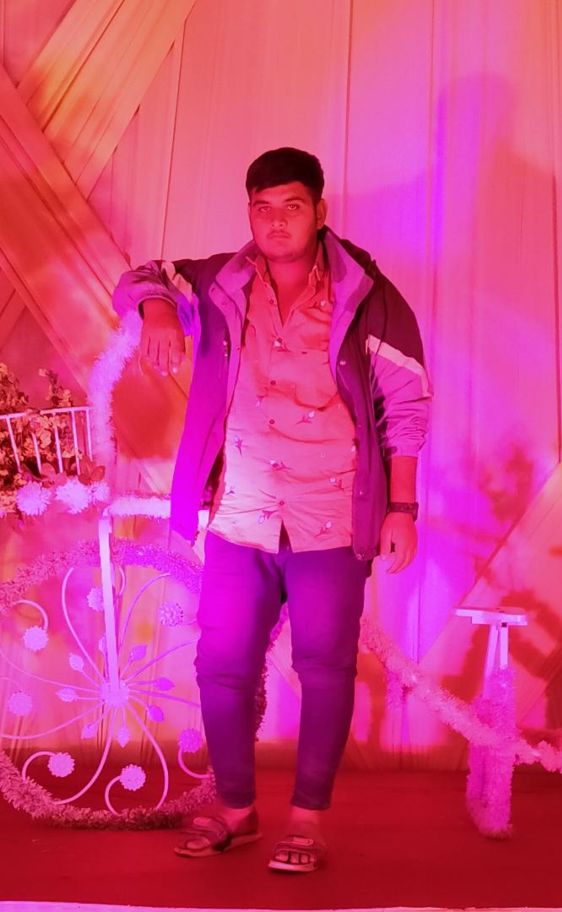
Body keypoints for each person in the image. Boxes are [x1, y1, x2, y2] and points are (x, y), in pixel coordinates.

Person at [113, 147, 431, 873]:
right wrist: (157, 308)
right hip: (241, 514)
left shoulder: (371, 297)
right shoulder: (220, 281)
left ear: (320, 211)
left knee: (324, 668)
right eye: (262, 208)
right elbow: (141, 276)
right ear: (249, 213)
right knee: (220, 665)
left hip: (332, 515)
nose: (276, 221)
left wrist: (402, 507)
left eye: (291, 206)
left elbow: (407, 405)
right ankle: (236, 811)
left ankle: (308, 821)